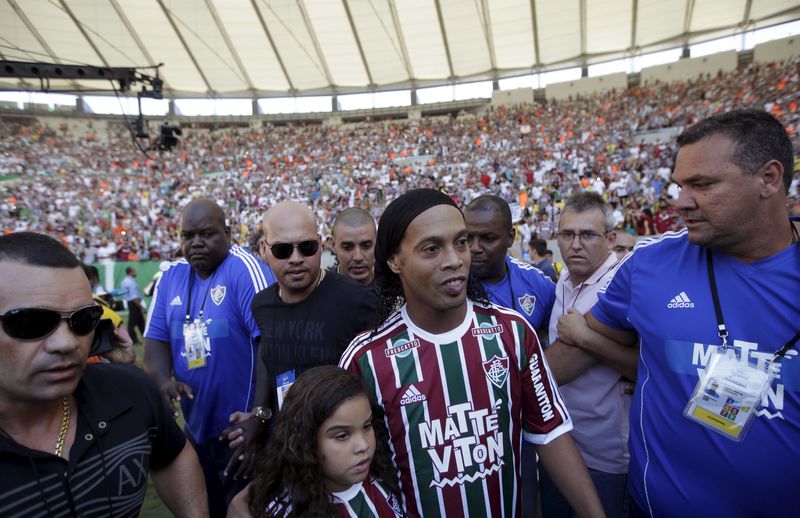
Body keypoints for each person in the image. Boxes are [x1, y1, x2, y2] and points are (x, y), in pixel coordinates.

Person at [340, 189, 604, 517]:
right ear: (395, 260)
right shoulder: (366, 358)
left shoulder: (513, 332)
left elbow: (549, 433)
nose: (454, 260)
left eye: (460, 242)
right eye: (432, 248)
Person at [587, 109, 800, 516]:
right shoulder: (650, 264)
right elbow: (594, 340)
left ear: (769, 179)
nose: (680, 203)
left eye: (702, 185)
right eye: (680, 185)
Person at [0, 232, 208, 517]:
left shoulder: (131, 389)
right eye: (30, 322)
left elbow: (173, 454)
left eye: (82, 320)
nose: (67, 343)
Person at [224, 201, 376, 477]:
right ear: (264, 250)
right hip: (289, 451)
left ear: (320, 245)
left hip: (345, 460)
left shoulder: (357, 300)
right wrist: (260, 414)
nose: (296, 258)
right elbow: (270, 357)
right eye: (283, 250)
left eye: (306, 247)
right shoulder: (262, 304)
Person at [144, 198, 275, 517]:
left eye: (206, 234)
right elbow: (155, 342)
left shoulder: (244, 269)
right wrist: (162, 381)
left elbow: (271, 343)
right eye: (188, 236)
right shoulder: (171, 277)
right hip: (197, 430)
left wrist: (259, 416)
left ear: (227, 233)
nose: (196, 243)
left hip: (244, 431)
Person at [539, 192, 638, 518]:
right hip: (560, 445)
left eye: (587, 235)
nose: (575, 244)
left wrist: (586, 339)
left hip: (607, 456)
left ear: (610, 239)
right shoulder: (564, 279)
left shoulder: (623, 285)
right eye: (567, 234)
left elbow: (649, 365)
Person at [464, 194, 557, 518]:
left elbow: (557, 340)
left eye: (487, 238)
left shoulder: (540, 286)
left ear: (510, 237)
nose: (475, 247)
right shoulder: (447, 281)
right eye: (467, 238)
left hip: (522, 431)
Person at [227, 366, 403, 517]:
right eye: (342, 436)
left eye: (366, 426)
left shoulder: (384, 476)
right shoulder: (284, 509)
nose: (363, 445)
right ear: (306, 441)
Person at [331, 207, 377, 286]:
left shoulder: (395, 289)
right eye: (347, 248)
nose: (358, 257)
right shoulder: (319, 292)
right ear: (333, 246)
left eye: (366, 246)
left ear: (377, 244)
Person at [120, 266, 145, 344]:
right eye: (134, 271)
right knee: (132, 323)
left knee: (140, 322)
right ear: (131, 272)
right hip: (134, 303)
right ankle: (134, 340)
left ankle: (146, 338)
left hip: (131, 303)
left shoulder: (125, 281)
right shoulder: (130, 282)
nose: (136, 272)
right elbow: (134, 297)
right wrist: (141, 306)